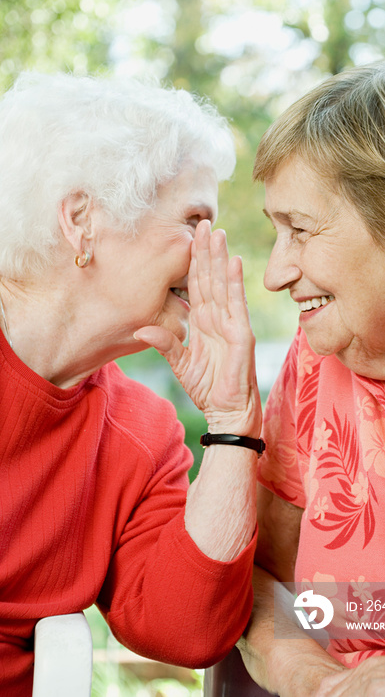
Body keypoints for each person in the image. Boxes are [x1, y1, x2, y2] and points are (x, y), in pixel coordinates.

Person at [0, 72, 263, 696]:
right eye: (194, 220)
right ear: (82, 220)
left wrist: (233, 423)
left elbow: (186, 631)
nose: (213, 255)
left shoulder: (141, 432)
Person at [237, 54, 385, 696]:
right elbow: (261, 580)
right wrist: (320, 683)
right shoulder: (316, 363)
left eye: (301, 230)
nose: (275, 273)